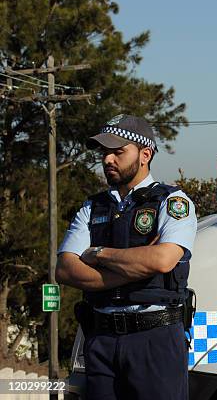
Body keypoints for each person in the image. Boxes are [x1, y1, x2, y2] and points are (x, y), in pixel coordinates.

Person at [56, 114, 197, 399]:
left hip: (154, 340)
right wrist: (136, 264)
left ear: (145, 154)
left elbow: (162, 261)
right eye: (104, 152)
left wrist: (97, 253)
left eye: (118, 152)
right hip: (101, 340)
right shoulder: (92, 207)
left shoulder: (172, 202)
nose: (108, 159)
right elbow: (66, 270)